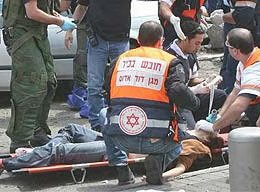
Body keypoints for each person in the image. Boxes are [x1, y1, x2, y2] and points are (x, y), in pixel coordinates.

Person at [103, 21, 201, 185]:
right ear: (161, 41)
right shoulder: (170, 62)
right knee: (180, 135)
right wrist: (195, 102)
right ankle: (158, 162)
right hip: (158, 142)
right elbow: (178, 91)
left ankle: (121, 168)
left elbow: (106, 90)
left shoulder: (119, 61)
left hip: (121, 140)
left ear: (139, 40)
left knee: (103, 114)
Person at [2, 0, 77, 153]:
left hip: (37, 34)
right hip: (21, 35)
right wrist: (60, 21)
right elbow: (32, 11)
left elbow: (57, 6)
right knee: (31, 84)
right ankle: (20, 139)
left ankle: (36, 132)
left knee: (49, 82)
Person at [66, 0, 132, 132]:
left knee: (122, 85)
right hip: (97, 42)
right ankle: (96, 125)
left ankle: (120, 122)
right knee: (94, 86)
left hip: (120, 41)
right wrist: (69, 30)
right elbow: (81, 7)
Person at [195, 28, 260, 132]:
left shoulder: (253, 69)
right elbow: (235, 92)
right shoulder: (244, 62)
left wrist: (213, 127)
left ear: (235, 51)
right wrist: (220, 116)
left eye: (228, 45)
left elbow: (239, 105)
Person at [166, 20, 227, 129]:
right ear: (185, 39)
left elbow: (193, 79)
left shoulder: (190, 55)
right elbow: (174, 90)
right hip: (177, 101)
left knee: (220, 95)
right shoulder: (169, 56)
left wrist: (208, 81)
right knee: (192, 131)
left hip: (190, 96)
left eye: (201, 43)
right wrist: (196, 90)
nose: (199, 47)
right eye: (196, 43)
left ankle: (200, 121)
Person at [0, 124, 106, 172]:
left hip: (117, 147)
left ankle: (5, 163)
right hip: (111, 136)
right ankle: (39, 152)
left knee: (59, 151)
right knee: (71, 129)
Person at [210, 0, 260, 93]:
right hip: (242, 26)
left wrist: (222, 17)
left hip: (249, 34)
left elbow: (243, 15)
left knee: (236, 71)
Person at [59, 0, 89, 117]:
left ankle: (86, 95)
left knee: (84, 58)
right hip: (83, 22)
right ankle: (82, 93)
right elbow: (64, 6)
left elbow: (63, 6)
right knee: (82, 58)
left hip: (95, 23)